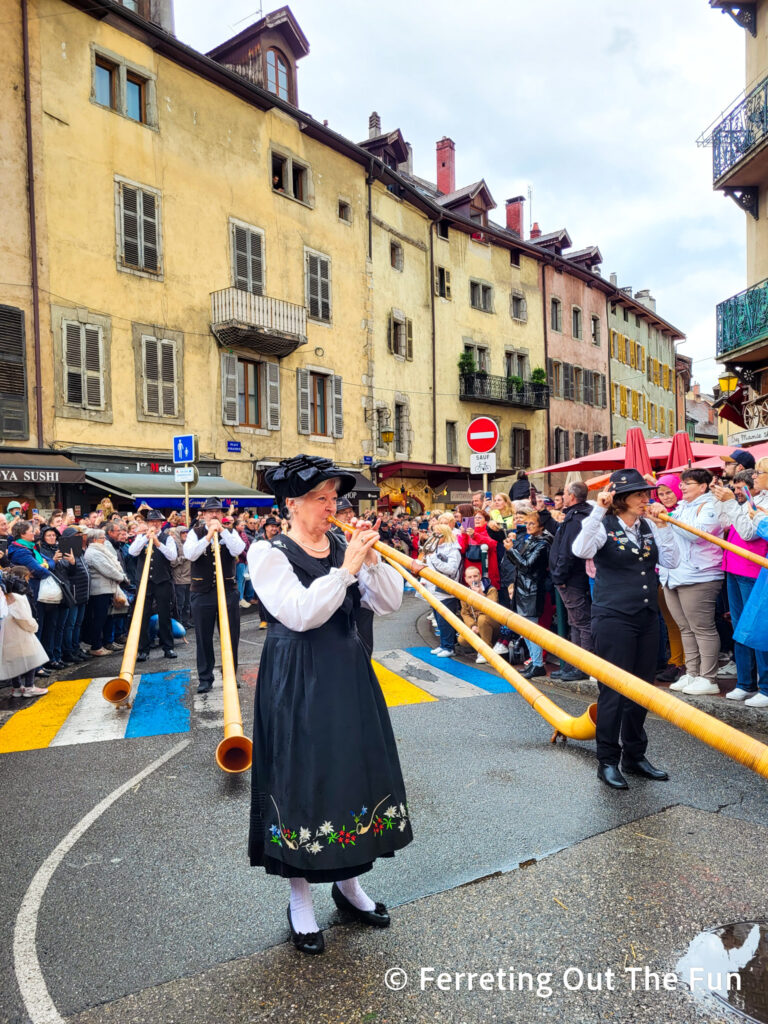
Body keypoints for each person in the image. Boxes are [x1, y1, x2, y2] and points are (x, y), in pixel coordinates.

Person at [246, 454, 410, 955]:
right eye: (320, 498)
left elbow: (388, 604)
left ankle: (349, 886)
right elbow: (299, 614)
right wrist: (347, 568)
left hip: (347, 671)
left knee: (350, 775)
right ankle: (301, 900)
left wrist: (374, 559)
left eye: (333, 497)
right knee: (304, 780)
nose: (330, 507)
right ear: (291, 504)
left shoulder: (341, 546)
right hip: (297, 676)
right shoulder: (267, 552)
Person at [572, 468, 682, 789]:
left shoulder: (648, 525)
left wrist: (663, 527)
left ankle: (634, 755)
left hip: (647, 617)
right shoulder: (603, 523)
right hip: (613, 618)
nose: (645, 499)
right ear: (620, 499)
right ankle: (607, 760)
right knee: (614, 691)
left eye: (646, 494)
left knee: (642, 689)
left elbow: (672, 562)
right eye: (638, 494)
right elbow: (581, 550)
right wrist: (599, 509)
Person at [662, 469, 724, 697]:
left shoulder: (710, 506)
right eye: (682, 483)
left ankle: (709, 677)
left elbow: (697, 535)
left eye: (688, 483)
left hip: (700, 575)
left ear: (703, 486)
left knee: (702, 628)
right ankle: (692, 672)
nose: (682, 487)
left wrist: (667, 519)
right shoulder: (681, 508)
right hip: (674, 574)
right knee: (685, 628)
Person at [712, 459, 768, 707]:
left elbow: (748, 532)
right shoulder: (749, 501)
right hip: (734, 568)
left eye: (760, 472)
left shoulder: (760, 502)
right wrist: (724, 501)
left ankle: (764, 686)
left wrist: (733, 503)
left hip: (754, 571)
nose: (756, 476)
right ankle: (745, 683)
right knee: (741, 627)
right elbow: (724, 523)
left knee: (758, 628)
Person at [183, 497, 244, 694]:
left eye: (218, 511)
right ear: (203, 515)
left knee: (230, 636)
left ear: (223, 514)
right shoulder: (195, 533)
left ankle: (230, 675)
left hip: (228, 590)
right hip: (202, 593)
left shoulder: (231, 532)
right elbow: (190, 555)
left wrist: (223, 531)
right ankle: (205, 678)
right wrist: (208, 536)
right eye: (210, 512)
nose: (214, 515)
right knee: (203, 637)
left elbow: (238, 550)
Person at [548, 481, 593, 680]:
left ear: (572, 496)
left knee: (581, 622)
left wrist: (559, 576)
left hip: (572, 578)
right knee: (574, 621)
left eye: (565, 494)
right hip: (571, 577)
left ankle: (583, 666)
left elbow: (568, 551)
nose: (563, 497)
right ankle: (575, 664)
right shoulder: (576, 515)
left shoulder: (576, 518)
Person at [503, 508, 552, 678]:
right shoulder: (532, 540)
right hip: (523, 589)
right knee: (526, 629)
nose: (529, 526)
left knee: (531, 629)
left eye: (532, 523)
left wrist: (511, 550)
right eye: (528, 523)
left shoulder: (543, 544)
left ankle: (538, 664)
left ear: (541, 526)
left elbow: (526, 565)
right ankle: (535, 662)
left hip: (532, 590)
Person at [129, 509, 178, 663]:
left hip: (162, 580)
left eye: (157, 522)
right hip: (144, 581)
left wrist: (157, 542)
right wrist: (145, 537)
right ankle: (143, 649)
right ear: (147, 523)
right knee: (142, 615)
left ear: (161, 524)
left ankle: (168, 647)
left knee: (165, 614)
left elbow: (172, 556)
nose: (154, 524)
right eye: (151, 522)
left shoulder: (166, 538)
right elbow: (132, 552)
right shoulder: (140, 537)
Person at [653, 474, 686, 684]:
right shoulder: (655, 514)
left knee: (685, 624)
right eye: (661, 493)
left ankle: (685, 664)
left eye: (669, 492)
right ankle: (676, 661)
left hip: (684, 574)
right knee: (671, 622)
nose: (665, 497)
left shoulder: (683, 512)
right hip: (662, 574)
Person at [0, 565, 49, 697]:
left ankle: (16, 687)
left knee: (14, 661)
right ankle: (29, 686)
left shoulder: (3, 597)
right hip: (20, 634)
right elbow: (23, 617)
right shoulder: (18, 597)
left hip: (6, 635)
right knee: (31, 658)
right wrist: (34, 626)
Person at [83, 528, 129, 656]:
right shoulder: (93, 552)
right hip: (99, 590)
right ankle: (96, 646)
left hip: (106, 588)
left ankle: (105, 642)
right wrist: (121, 577)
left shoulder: (100, 550)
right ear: (95, 540)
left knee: (107, 617)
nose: (104, 540)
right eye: (102, 538)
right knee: (99, 618)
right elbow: (107, 569)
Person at [457, 565, 500, 664]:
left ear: (480, 576)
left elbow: (493, 607)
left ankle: (485, 652)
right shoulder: (464, 592)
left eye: (475, 576)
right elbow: (465, 613)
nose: (473, 579)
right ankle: (483, 645)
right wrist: (472, 626)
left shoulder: (490, 589)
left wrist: (481, 594)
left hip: (491, 623)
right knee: (462, 640)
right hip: (476, 624)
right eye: (470, 577)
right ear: (466, 579)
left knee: (482, 619)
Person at [170, 524, 192, 628]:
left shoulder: (190, 544)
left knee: (187, 603)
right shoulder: (175, 545)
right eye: (183, 533)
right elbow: (172, 562)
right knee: (179, 603)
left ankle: (185, 621)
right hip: (179, 578)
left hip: (189, 578)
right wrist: (184, 557)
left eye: (187, 532)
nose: (185, 534)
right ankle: (178, 623)